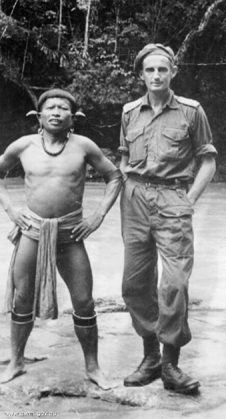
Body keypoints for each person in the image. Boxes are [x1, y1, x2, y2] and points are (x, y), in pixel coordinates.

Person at [0, 89, 122, 389]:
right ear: (38, 117)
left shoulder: (83, 146)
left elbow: (115, 176)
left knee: (83, 300)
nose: (56, 112)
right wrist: (12, 211)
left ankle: (92, 367)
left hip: (70, 233)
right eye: (50, 107)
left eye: (63, 108)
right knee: (22, 297)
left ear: (74, 117)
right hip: (32, 231)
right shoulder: (23, 145)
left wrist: (97, 217)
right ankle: (16, 362)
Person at [118, 44, 217, 394]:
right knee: (133, 284)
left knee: (173, 283)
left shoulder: (192, 112)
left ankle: (172, 365)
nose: (156, 76)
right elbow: (123, 158)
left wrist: (188, 201)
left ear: (173, 71)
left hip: (174, 198)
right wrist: (120, 194)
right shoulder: (130, 112)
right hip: (134, 200)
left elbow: (208, 161)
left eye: (163, 69)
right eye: (150, 70)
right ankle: (151, 357)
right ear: (141, 74)